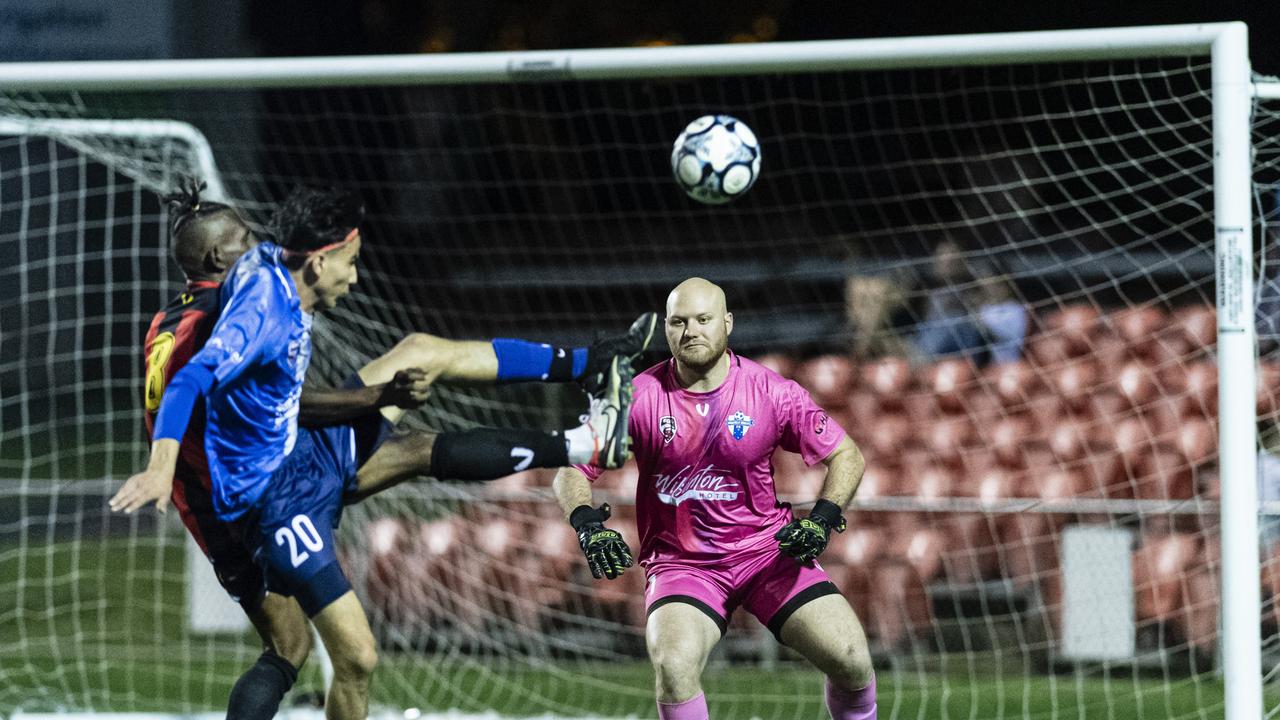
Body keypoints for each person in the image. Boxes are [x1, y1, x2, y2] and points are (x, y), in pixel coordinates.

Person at [111, 182, 655, 718]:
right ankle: (584, 430)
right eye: (245, 237)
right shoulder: (229, 320)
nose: (257, 244)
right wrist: (159, 468)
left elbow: (275, 402)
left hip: (282, 460)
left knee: (419, 376)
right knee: (295, 648)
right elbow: (208, 392)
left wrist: (373, 397)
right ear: (215, 255)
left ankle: (589, 381)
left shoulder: (175, 316)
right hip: (246, 507)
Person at [552, 278, 875, 720]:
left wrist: (822, 518)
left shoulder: (771, 392)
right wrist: (587, 524)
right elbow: (570, 469)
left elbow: (846, 455)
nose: (691, 331)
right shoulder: (635, 397)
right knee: (673, 667)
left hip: (766, 554)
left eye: (703, 320)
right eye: (679, 322)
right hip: (682, 565)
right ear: (666, 329)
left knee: (852, 659)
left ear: (727, 323)